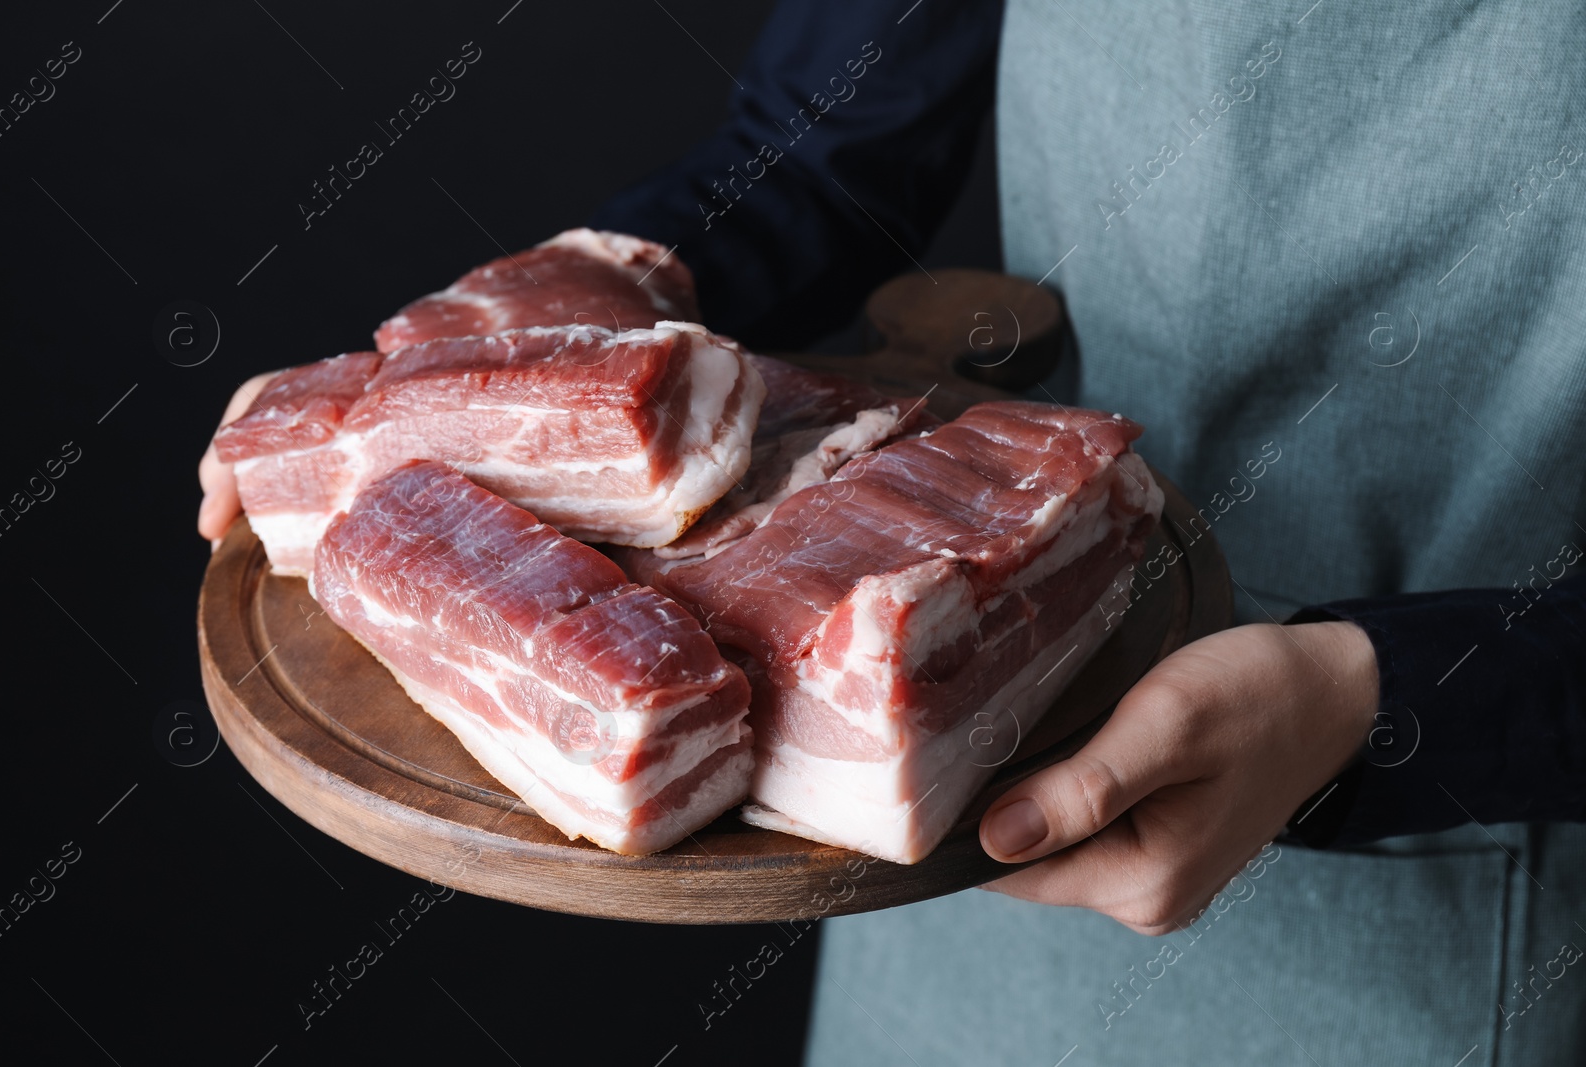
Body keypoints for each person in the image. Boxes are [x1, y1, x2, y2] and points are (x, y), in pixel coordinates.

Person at [201, 2, 1586, 1062]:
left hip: (1450, 850)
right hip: (946, 717)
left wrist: (1384, 702)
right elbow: (829, 143)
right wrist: (543, 328)